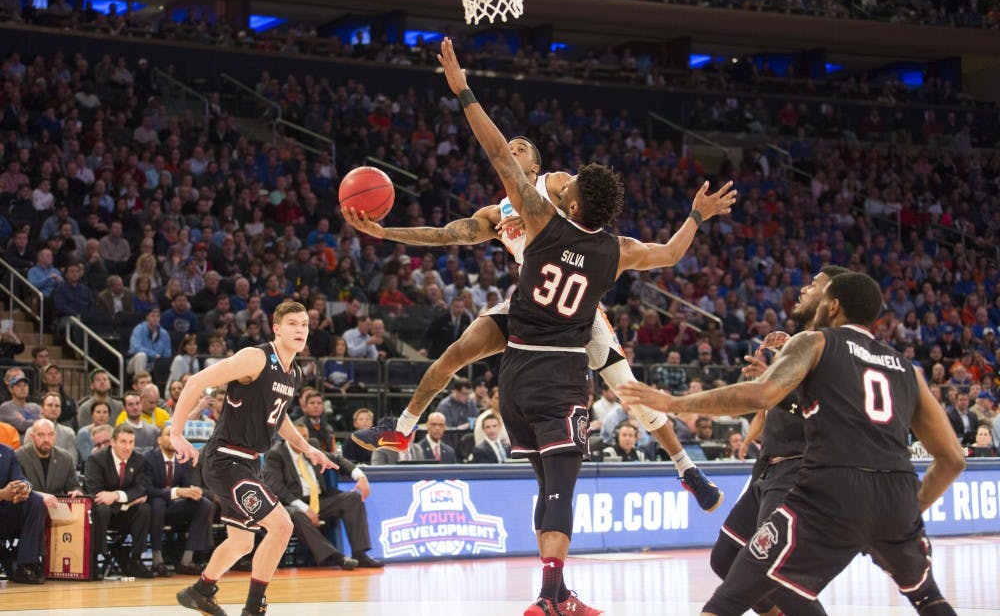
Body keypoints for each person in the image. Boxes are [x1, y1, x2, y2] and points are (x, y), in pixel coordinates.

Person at [347, 44, 735, 520]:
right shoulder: (497, 214)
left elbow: (590, 216)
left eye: (521, 148)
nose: (512, 150)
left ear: (534, 165)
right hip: (531, 307)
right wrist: (385, 232)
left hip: (576, 312)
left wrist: (466, 94)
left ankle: (686, 467)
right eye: (510, 146)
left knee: (629, 390)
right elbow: (446, 235)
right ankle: (403, 428)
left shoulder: (555, 185)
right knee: (455, 353)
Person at [618, 272, 966, 616]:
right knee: (928, 599)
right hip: (897, 493)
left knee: (731, 599)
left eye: (819, 291)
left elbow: (760, 395)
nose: (808, 292)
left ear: (833, 305)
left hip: (831, 489)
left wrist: (673, 402)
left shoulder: (816, 342)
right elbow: (952, 458)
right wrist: (910, 512)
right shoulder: (908, 368)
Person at [170, 300, 335, 616]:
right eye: (292, 324)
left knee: (242, 543)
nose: (300, 330)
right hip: (226, 459)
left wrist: (308, 448)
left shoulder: (293, 373)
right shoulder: (255, 358)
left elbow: (279, 417)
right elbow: (196, 381)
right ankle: (253, 608)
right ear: (276, 328)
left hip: (248, 463)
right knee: (282, 526)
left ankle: (201, 590)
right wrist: (176, 433)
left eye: (304, 324)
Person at [701, 266, 847, 616]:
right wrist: (776, 369)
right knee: (725, 558)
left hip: (797, 472)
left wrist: (769, 383)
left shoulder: (832, 347)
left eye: (815, 285)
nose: (805, 288)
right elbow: (776, 404)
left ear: (833, 301)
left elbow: (814, 410)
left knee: (778, 574)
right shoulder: (801, 342)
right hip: (768, 470)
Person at [262, 418, 384, 569]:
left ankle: (360, 554)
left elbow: (337, 459)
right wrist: (305, 509)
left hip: (320, 500)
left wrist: (360, 476)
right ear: (288, 436)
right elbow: (275, 487)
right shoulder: (276, 453)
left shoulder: (311, 446)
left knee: (353, 498)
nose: (302, 440)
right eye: (299, 436)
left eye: (305, 436)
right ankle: (336, 557)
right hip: (293, 503)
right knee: (295, 515)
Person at [83, 424, 155, 578]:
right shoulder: (96, 460)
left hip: (124, 515)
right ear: (113, 442)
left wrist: (116, 495)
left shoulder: (139, 460)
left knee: (144, 509)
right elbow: (95, 492)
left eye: (131, 442)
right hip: (102, 515)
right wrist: (127, 501)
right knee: (102, 508)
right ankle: (94, 561)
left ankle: (136, 560)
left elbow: (141, 489)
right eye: (123, 442)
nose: (128, 447)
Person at [145, 425, 213, 577]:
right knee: (157, 502)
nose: (173, 439)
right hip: (152, 509)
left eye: (177, 435)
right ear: (159, 440)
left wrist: (194, 491)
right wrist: (177, 492)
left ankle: (187, 560)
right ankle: (157, 560)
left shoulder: (183, 458)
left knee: (203, 503)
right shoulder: (149, 458)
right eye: (169, 434)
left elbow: (187, 485)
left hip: (175, 508)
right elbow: (148, 489)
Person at [0, 442, 47, 583]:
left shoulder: (7, 452)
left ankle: (26, 565)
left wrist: (24, 488)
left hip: (5, 514)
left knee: (35, 500)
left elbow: (20, 478)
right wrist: (2, 494)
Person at [17, 419, 83, 497]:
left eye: (50, 434)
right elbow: (18, 489)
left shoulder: (65, 458)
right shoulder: (19, 456)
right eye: (41, 435)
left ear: (55, 436)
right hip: (28, 503)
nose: (46, 439)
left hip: (57, 503)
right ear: (32, 437)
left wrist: (76, 491)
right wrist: (42, 497)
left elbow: (74, 486)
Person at [128, 307, 173, 375]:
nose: (155, 318)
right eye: (152, 316)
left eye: (157, 316)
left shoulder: (164, 333)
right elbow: (136, 348)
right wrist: (153, 354)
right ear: (147, 317)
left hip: (155, 364)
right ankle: (141, 380)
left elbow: (167, 353)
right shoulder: (139, 329)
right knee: (141, 356)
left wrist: (160, 362)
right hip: (135, 362)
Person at [0, 370, 41, 439]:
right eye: (18, 385)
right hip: (14, 443)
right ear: (11, 389)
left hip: (34, 442)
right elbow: (21, 425)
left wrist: (25, 420)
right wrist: (37, 421)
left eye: (25, 385)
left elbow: (43, 424)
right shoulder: (6, 407)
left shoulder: (35, 407)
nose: (22, 388)